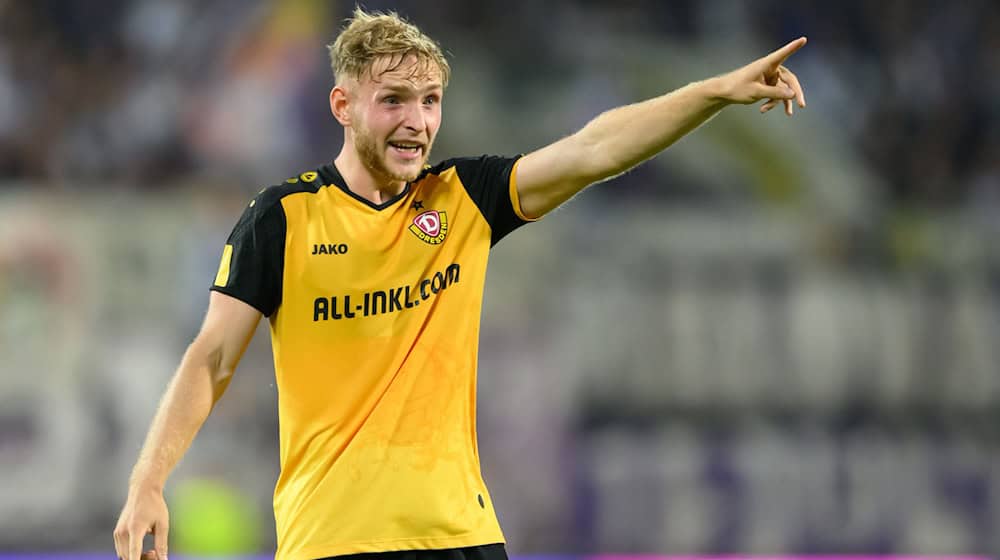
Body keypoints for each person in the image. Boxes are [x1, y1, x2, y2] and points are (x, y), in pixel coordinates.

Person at [113, 8, 807, 560]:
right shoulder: (281, 218)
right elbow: (212, 358)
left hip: (462, 540)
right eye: (393, 101)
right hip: (332, 543)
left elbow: (593, 149)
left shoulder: (462, 199)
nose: (417, 122)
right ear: (342, 104)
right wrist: (148, 481)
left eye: (431, 100)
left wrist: (711, 93)